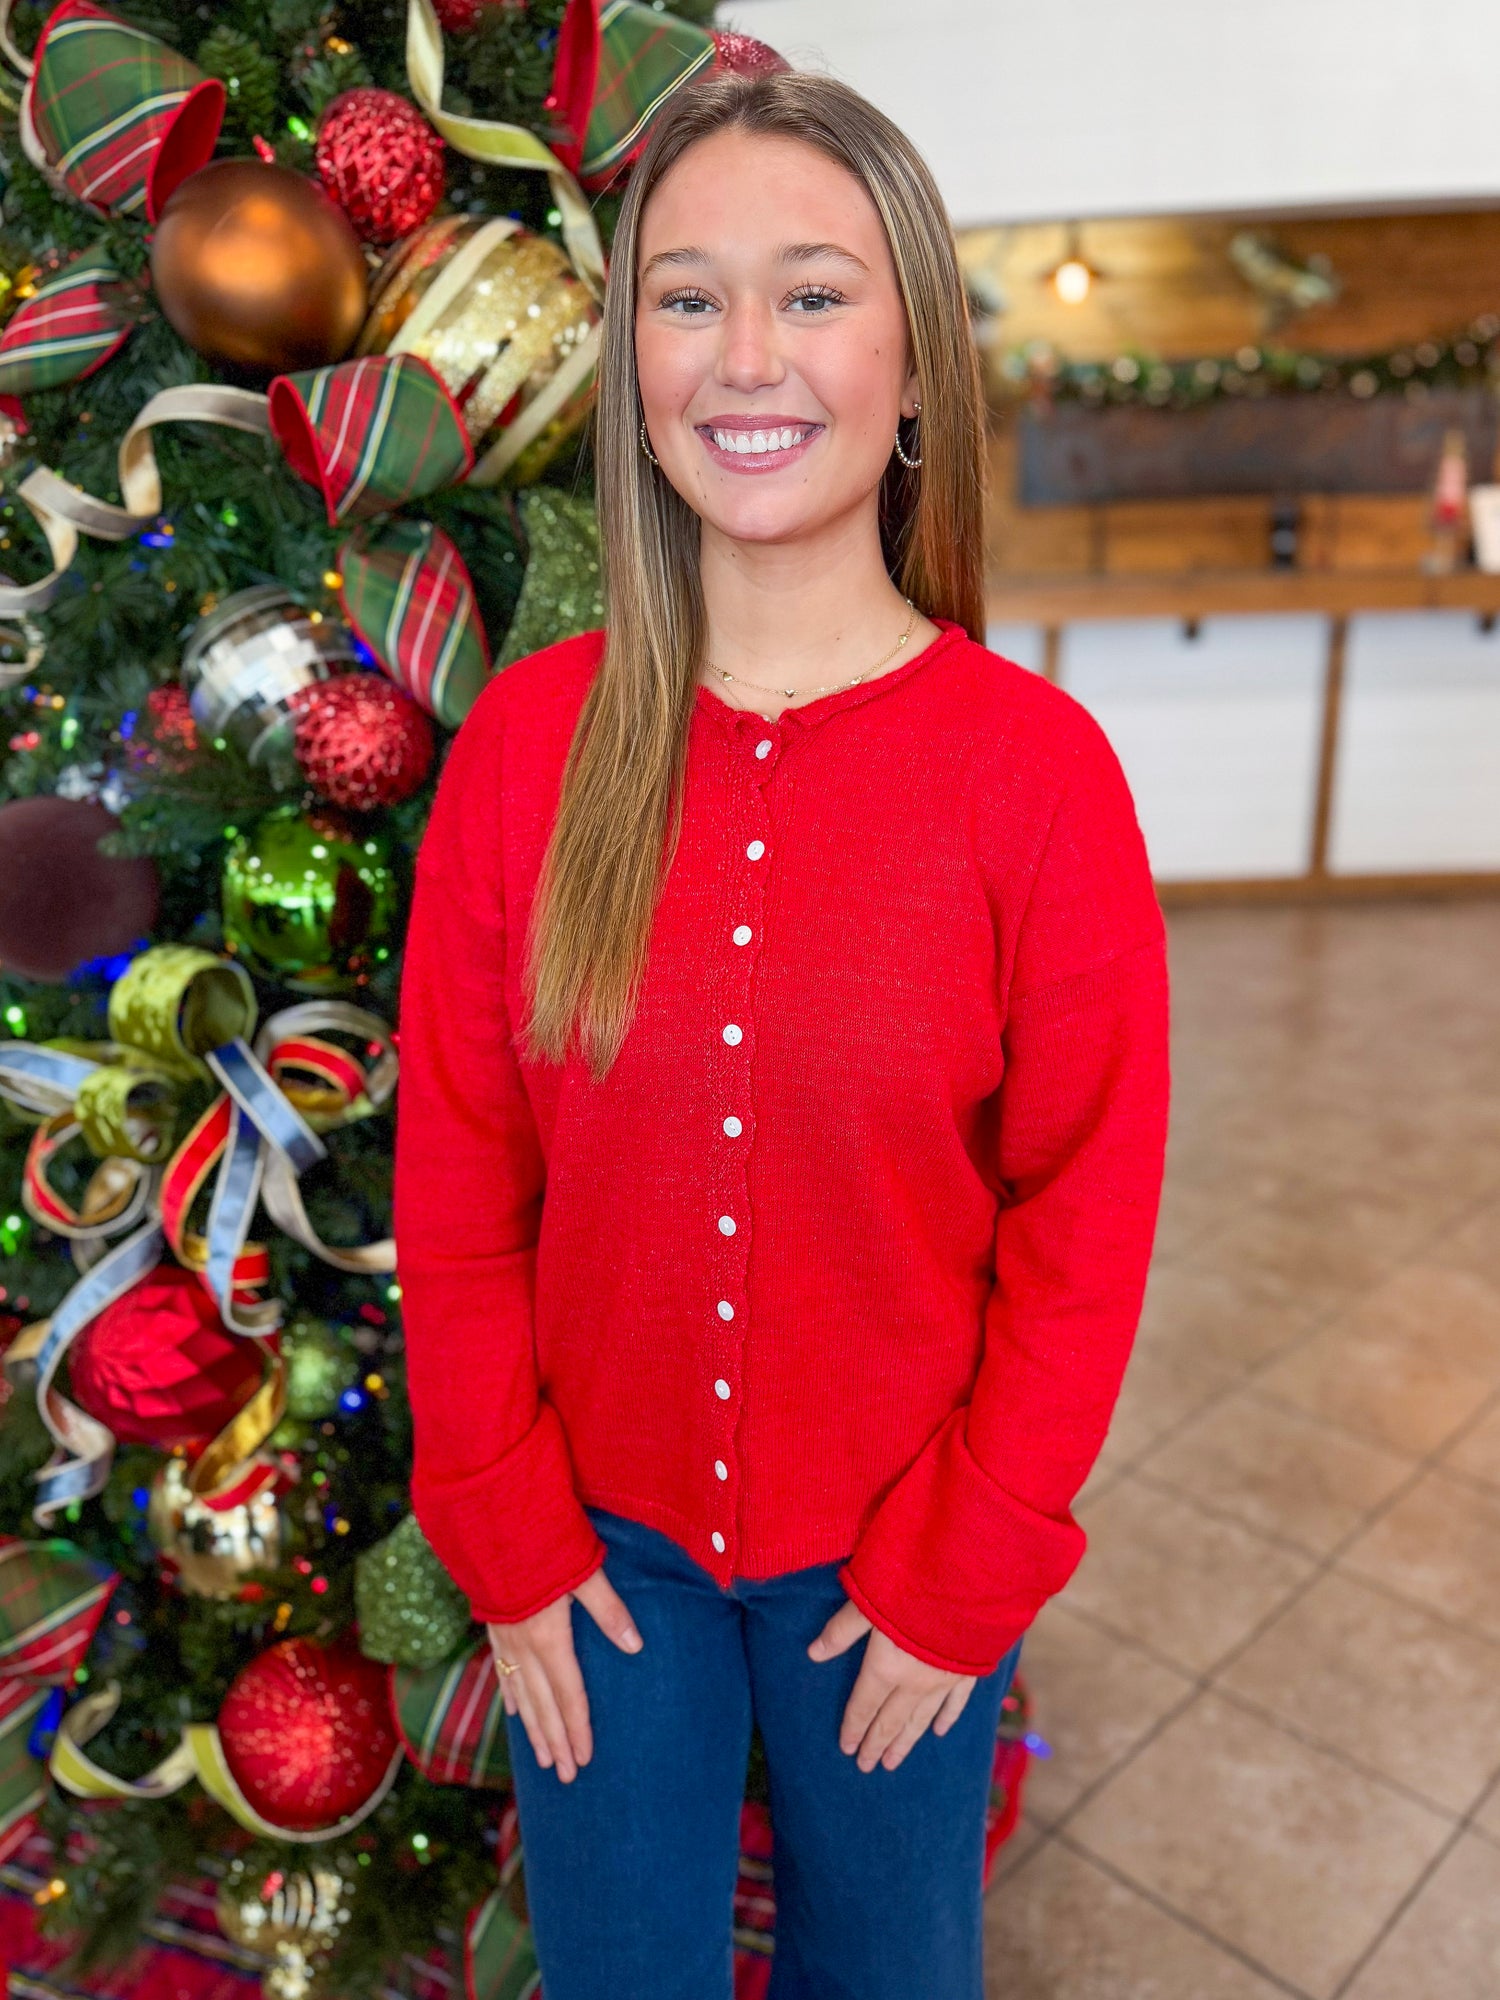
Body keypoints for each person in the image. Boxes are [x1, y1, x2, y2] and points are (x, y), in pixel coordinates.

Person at [392, 66, 1171, 2000]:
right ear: (635, 371)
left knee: (891, 1969)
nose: (747, 355)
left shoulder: (1037, 776)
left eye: (813, 293)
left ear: (912, 373)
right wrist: (502, 1523)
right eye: (688, 297)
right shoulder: (528, 752)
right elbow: (462, 1171)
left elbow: (1085, 1219)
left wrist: (971, 1564)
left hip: (899, 1564)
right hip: (597, 1564)